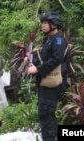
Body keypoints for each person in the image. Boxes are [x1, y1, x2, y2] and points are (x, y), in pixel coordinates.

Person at [27, 12, 69, 141]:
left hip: (53, 82)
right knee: (47, 114)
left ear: (54, 25)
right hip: (46, 81)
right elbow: (45, 59)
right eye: (43, 23)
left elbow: (56, 60)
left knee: (45, 113)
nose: (43, 26)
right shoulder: (49, 41)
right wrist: (30, 62)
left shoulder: (58, 40)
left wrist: (38, 69)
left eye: (46, 23)